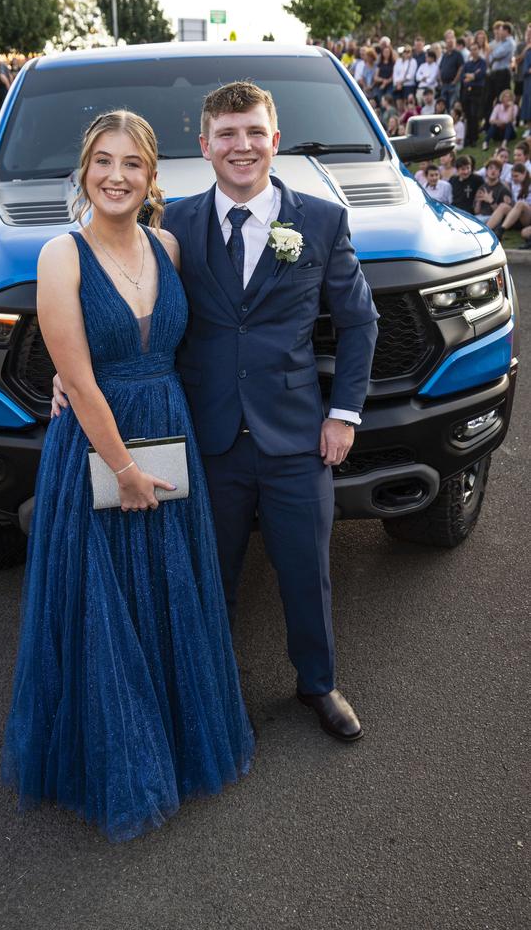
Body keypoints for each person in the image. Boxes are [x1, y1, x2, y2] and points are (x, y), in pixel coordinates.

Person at [51, 83, 379, 746]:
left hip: (296, 437)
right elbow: (124, 303)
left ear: (274, 140)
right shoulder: (172, 230)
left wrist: (343, 414)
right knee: (207, 572)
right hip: (204, 437)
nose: (242, 146)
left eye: (254, 132)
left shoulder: (319, 221)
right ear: (204, 147)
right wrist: (64, 370)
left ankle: (317, 683)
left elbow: (360, 321)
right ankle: (215, 689)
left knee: (304, 570)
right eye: (226, 134)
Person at [2, 109, 255, 841]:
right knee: (102, 602)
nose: (117, 176)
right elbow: (78, 382)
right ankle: (113, 754)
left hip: (167, 428)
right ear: (84, 171)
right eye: (104, 162)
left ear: (151, 176)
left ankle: (173, 739)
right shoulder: (62, 255)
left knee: (170, 587)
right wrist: (124, 470)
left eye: (133, 163)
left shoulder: (168, 245)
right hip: (96, 445)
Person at [488, 162, 531, 236]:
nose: (514, 179)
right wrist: (510, 202)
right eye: (512, 176)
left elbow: (523, 205)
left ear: (524, 174)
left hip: (528, 218)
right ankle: (486, 230)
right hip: (518, 216)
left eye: (516, 176)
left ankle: (501, 230)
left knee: (521, 204)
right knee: (503, 206)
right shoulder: (515, 184)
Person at [485, 22, 515, 114]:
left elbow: (496, 54)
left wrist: (492, 53)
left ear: (506, 31)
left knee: (501, 98)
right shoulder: (502, 42)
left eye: (501, 30)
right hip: (495, 73)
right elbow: (490, 57)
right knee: (489, 97)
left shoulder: (509, 43)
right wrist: (492, 54)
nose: (499, 33)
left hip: (503, 74)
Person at [461, 43, 487, 146]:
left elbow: (481, 74)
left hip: (477, 91)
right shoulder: (468, 64)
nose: (473, 51)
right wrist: (473, 75)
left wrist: (473, 76)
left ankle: (474, 138)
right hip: (467, 91)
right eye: (471, 50)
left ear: (479, 50)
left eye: (475, 49)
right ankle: (468, 138)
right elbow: (464, 77)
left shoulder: (482, 62)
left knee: (474, 114)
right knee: (468, 115)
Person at [438, 32, 464, 110]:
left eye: (452, 38)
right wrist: (440, 81)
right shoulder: (445, 55)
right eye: (448, 38)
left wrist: (455, 81)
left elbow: (461, 68)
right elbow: (440, 68)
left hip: (453, 85)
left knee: (452, 106)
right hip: (444, 85)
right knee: (444, 107)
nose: (450, 40)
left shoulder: (458, 54)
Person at [517, 24, 531, 136]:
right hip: (528, 80)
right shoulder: (526, 49)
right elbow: (518, 62)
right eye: (528, 33)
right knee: (528, 102)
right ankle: (528, 127)